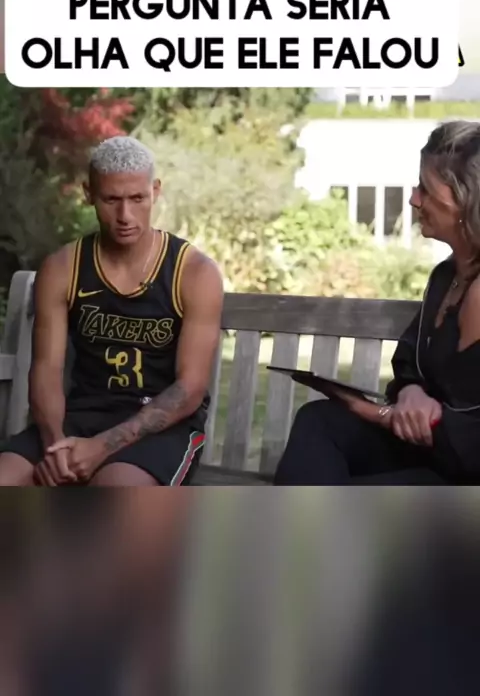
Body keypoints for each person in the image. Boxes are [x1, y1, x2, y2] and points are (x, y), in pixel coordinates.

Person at [0, 136, 223, 486]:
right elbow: (46, 371)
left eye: (137, 199)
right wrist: (56, 448)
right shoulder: (63, 268)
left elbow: (189, 389)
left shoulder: (194, 272)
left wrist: (101, 448)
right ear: (89, 194)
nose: (125, 216)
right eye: (111, 200)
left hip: (161, 428)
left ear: (155, 191)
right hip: (80, 417)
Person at [274, 119, 480, 485]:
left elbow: (469, 443)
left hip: (463, 470)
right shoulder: (445, 277)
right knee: (320, 421)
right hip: (426, 452)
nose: (414, 199)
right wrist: (412, 392)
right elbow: (410, 361)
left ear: (467, 201)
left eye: (426, 188)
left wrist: (376, 413)